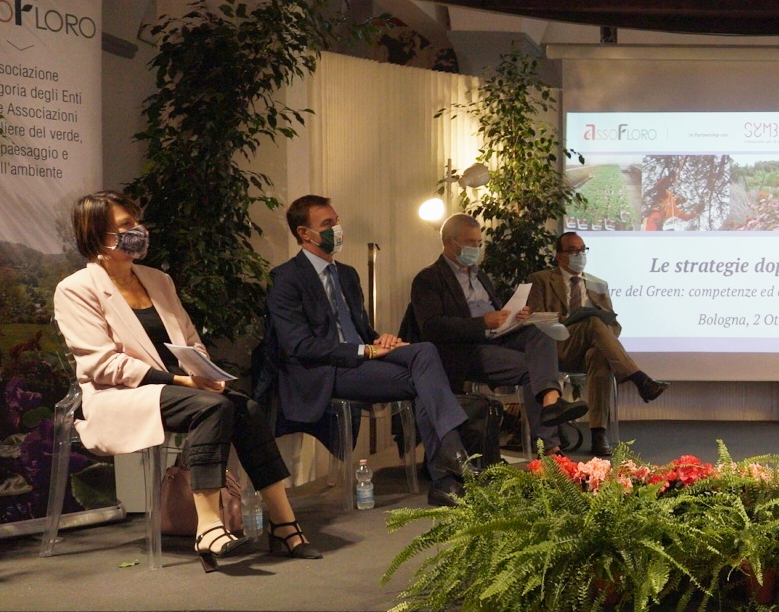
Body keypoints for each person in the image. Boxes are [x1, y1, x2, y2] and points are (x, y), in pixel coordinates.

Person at [53, 192, 315, 571]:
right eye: (126, 225)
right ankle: (208, 526)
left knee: (246, 407)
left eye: (137, 222)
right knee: (213, 408)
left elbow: (190, 340)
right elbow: (102, 364)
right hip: (120, 394)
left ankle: (283, 522)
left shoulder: (158, 280)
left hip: (178, 388)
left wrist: (201, 371)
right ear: (97, 233)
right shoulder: (76, 289)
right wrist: (180, 380)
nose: (138, 230)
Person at [263, 195, 471, 506]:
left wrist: (380, 340)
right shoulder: (286, 278)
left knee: (424, 351)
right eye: (327, 224)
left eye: (336, 221)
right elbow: (299, 345)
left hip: (362, 356)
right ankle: (447, 471)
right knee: (424, 381)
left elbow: (360, 329)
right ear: (305, 233)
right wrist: (366, 351)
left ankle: (449, 459)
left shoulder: (347, 274)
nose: (337, 229)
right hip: (327, 369)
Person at [408, 213, 587, 454]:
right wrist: (481, 323)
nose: (476, 248)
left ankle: (550, 402)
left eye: (479, 243)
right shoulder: (429, 278)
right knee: (532, 369)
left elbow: (496, 312)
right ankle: (549, 445)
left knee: (540, 331)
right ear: (450, 242)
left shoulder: (479, 275)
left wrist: (514, 317)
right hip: (465, 349)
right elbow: (432, 327)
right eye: (470, 242)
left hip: (498, 337)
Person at [526, 231, 668, 458]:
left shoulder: (598, 284)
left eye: (582, 250)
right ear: (559, 256)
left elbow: (615, 326)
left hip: (586, 350)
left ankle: (598, 433)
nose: (579, 255)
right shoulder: (540, 279)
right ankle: (640, 379)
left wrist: (604, 330)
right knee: (591, 322)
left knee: (599, 354)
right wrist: (571, 321)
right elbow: (534, 318)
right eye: (573, 250)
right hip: (554, 348)